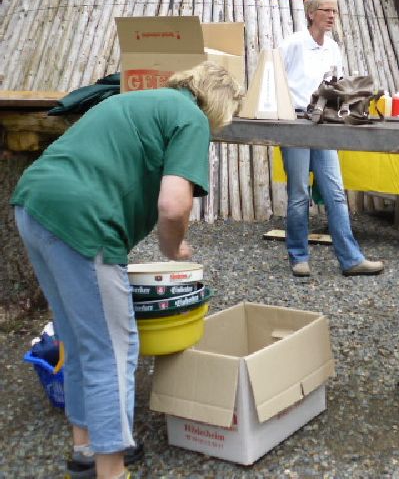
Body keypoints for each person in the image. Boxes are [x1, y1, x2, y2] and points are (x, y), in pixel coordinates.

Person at [11, 61, 243, 479]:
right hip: (84, 222)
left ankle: (85, 451)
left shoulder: (137, 100)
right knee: (113, 349)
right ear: (218, 107)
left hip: (32, 204)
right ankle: (112, 469)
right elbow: (174, 205)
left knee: (78, 339)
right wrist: (175, 249)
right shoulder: (191, 118)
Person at [278, 0, 384, 278]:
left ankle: (350, 259)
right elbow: (274, 80)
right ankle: (298, 256)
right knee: (299, 193)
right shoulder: (292, 45)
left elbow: (336, 86)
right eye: (326, 10)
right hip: (296, 123)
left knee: (336, 192)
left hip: (324, 124)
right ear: (311, 13)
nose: (332, 15)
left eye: (335, 11)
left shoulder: (333, 48)